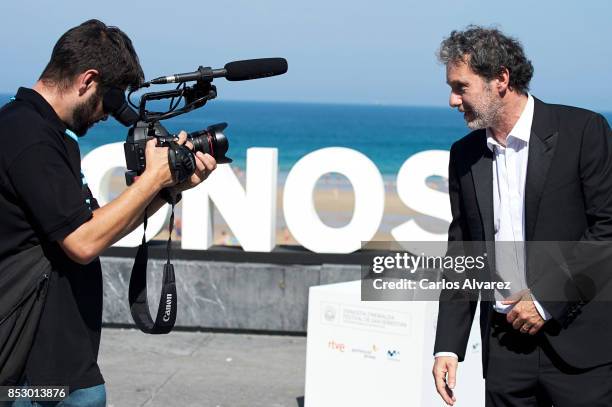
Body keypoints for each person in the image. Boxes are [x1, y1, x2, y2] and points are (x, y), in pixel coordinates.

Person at [0, 20, 217, 405]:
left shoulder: (43, 132)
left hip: (62, 364)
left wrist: (168, 189)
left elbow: (94, 227)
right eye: (111, 99)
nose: (109, 114)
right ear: (87, 80)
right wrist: (152, 180)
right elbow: (83, 243)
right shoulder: (27, 135)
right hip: (33, 375)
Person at [431, 26, 612, 406]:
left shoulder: (583, 131)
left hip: (580, 346)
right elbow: (463, 252)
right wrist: (448, 346)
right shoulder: (463, 154)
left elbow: (606, 229)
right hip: (504, 350)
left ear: (500, 79)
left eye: (461, 86)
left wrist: (546, 299)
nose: (452, 99)